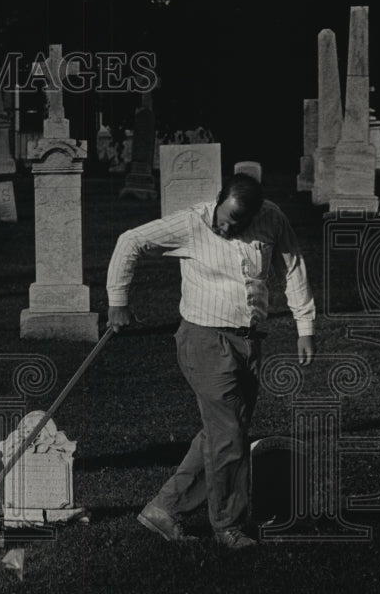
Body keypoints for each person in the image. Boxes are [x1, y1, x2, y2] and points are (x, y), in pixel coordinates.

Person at [106, 173, 315, 548]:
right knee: (229, 435)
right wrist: (118, 301)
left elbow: (293, 267)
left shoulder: (273, 219)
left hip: (249, 341)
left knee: (221, 432)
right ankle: (228, 526)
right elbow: (130, 241)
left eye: (236, 223)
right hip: (203, 340)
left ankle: (162, 508)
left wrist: (305, 328)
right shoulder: (191, 222)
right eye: (223, 216)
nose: (225, 226)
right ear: (218, 200)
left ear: (253, 216)